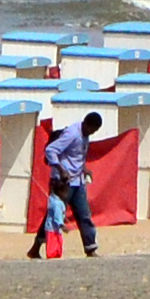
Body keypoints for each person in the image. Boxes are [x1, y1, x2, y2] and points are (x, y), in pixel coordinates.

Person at [30, 107, 105, 258]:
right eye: (93, 130)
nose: (93, 133)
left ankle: (90, 248)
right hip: (63, 182)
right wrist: (60, 169)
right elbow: (51, 150)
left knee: (84, 214)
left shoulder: (84, 135)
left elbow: (75, 156)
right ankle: (37, 246)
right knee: (54, 215)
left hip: (78, 181)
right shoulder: (72, 133)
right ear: (87, 124)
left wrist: (84, 169)